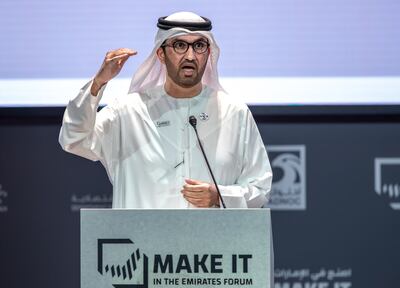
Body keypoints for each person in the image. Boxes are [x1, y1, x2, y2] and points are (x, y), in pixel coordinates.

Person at [59, 11, 272, 209]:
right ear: (161, 54)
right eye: (180, 45)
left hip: (213, 246)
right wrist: (98, 84)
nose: (190, 56)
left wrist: (221, 196)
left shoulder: (233, 112)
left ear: (208, 54)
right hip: (141, 246)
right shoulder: (127, 112)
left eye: (199, 46)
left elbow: (260, 187)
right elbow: (74, 139)